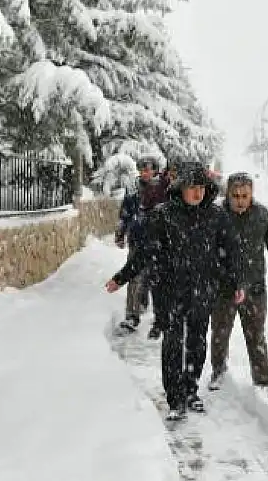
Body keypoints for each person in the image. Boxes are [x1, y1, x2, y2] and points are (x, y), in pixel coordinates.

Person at [105, 162, 247, 421]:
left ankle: (191, 391)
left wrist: (237, 283)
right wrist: (121, 278)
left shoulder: (216, 217)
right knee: (173, 344)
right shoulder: (163, 215)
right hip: (169, 292)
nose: (197, 193)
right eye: (192, 188)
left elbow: (231, 253)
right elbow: (145, 253)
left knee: (197, 343)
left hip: (203, 291)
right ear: (181, 187)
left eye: (201, 188)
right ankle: (175, 398)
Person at [209, 172, 268, 399]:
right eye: (235, 195)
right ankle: (218, 372)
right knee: (220, 333)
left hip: (255, 287)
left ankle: (263, 381)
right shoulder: (217, 215)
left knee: (256, 335)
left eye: (244, 195)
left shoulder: (263, 216)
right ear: (228, 194)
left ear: (251, 194)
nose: (239, 200)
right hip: (224, 288)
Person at [113, 156, 170, 334]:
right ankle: (132, 315)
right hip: (137, 240)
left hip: (160, 243)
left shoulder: (164, 190)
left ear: (155, 170)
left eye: (148, 169)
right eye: (142, 169)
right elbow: (124, 214)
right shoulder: (133, 190)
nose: (145, 173)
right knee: (134, 276)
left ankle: (160, 319)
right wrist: (120, 234)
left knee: (157, 279)